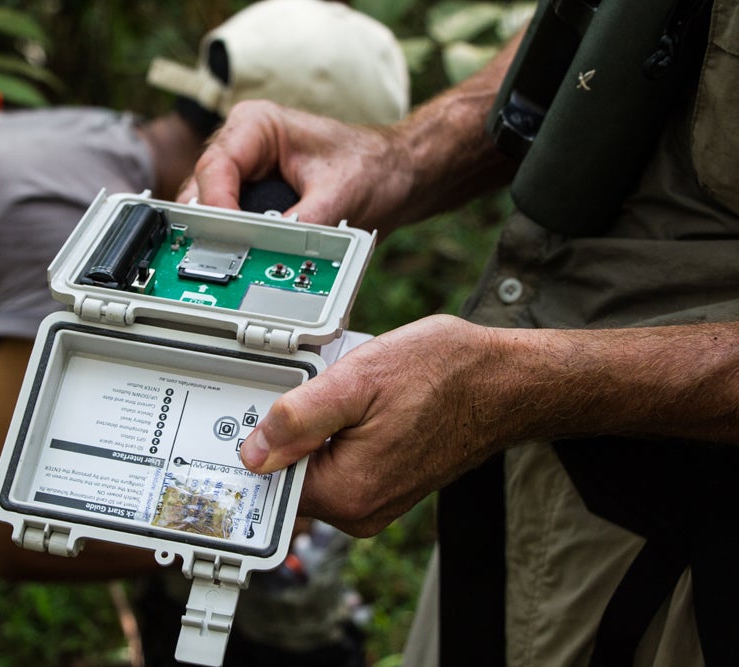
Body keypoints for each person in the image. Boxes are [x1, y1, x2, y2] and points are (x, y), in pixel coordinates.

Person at [0, 1, 409, 665]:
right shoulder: (68, 235)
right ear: (278, 160)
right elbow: (15, 537)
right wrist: (245, 532)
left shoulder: (102, 146)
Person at [181, 0, 739, 665]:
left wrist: (510, 385)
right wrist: (401, 156)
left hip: (683, 539)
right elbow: (612, 32)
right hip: (506, 486)